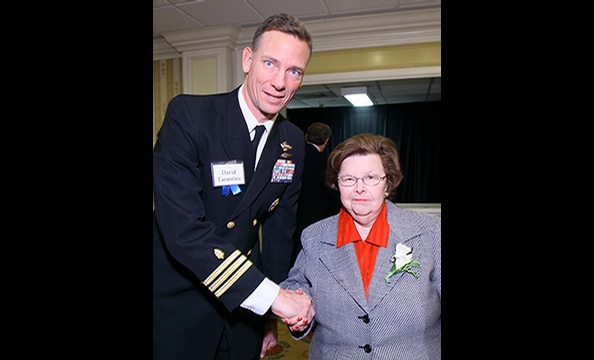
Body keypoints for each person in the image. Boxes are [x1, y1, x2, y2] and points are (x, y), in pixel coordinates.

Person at [153, 13, 315, 360]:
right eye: (270, 63)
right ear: (247, 59)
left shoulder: (291, 141)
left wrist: (270, 317)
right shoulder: (191, 117)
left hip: (244, 312)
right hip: (181, 301)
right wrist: (272, 297)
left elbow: (278, 231)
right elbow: (183, 231)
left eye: (294, 71)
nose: (280, 82)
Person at [280, 133, 441, 359]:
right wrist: (299, 309)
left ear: (388, 183)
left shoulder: (429, 232)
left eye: (371, 178)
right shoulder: (314, 237)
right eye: (348, 179)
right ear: (337, 185)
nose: (359, 188)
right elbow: (298, 283)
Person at [292, 122, 341, 264]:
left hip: (294, 215)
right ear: (326, 141)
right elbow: (331, 190)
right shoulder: (324, 162)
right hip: (317, 216)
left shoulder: (294, 156)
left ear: (306, 136)